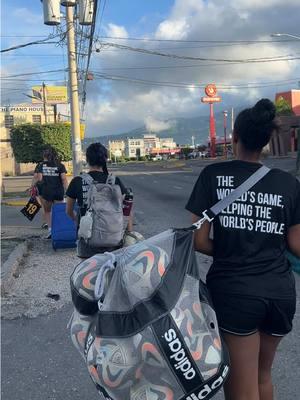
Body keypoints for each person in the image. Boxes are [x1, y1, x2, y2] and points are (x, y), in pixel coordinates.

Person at [186, 98, 300, 400]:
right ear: (266, 141)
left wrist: (230, 249)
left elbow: (198, 240)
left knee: (240, 385)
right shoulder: (288, 183)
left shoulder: (212, 176)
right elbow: (296, 244)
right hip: (280, 292)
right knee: (263, 377)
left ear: (234, 137)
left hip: (235, 292)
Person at [66, 142, 131, 258]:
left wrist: (79, 221)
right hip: (114, 239)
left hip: (87, 241)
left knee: (87, 273)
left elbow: (68, 211)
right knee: (112, 271)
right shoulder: (115, 181)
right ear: (105, 159)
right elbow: (127, 209)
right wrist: (128, 232)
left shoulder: (77, 181)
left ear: (87, 159)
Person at [35, 147, 68, 239]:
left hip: (47, 192)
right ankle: (60, 230)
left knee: (47, 211)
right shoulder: (60, 165)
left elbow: (39, 178)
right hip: (58, 191)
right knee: (59, 211)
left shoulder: (41, 165)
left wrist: (33, 186)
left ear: (44, 155)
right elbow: (64, 179)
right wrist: (67, 190)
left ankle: (50, 230)